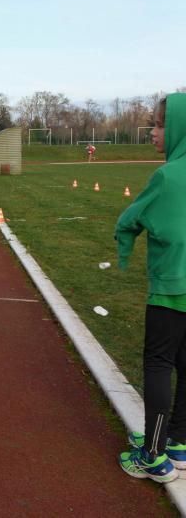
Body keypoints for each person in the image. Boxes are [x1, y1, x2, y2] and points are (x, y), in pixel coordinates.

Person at [116, 93, 186, 484]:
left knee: (159, 363)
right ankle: (179, 442)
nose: (153, 133)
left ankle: (153, 455)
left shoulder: (167, 176)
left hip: (172, 288)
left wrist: (126, 236)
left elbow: (134, 216)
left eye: (160, 125)